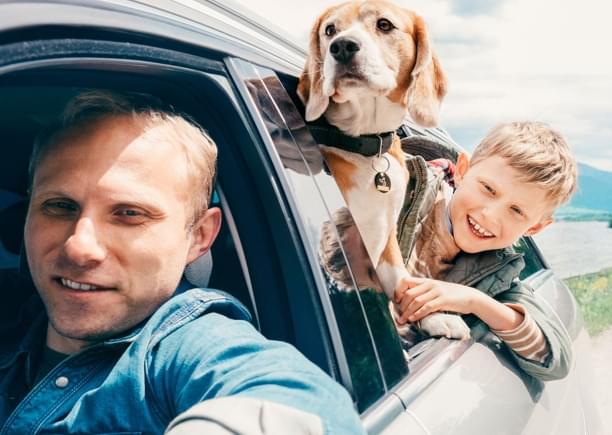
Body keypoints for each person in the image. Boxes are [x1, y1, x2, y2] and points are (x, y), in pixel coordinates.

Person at [0, 90, 364, 434]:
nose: (79, 249)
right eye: (60, 206)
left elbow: (305, 404)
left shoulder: (188, 347)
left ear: (199, 237)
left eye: (129, 213)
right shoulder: (14, 313)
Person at [394, 121, 577, 381]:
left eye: (516, 211)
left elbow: (554, 360)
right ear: (462, 170)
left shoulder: (496, 276)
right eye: (488, 189)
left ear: (535, 227)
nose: (490, 215)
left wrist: (475, 301)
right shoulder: (398, 191)